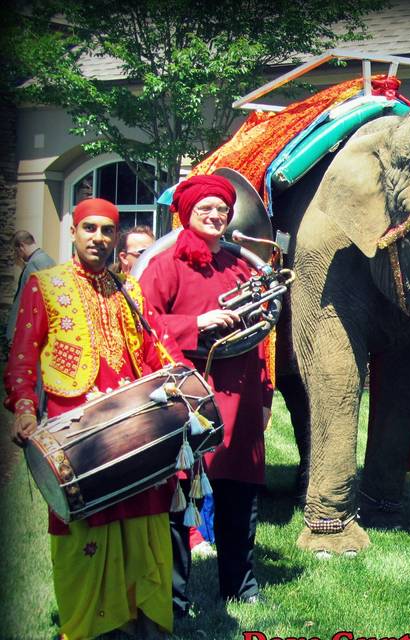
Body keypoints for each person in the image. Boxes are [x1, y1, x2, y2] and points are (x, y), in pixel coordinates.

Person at [4, 197, 183, 640]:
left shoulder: (129, 290)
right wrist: (24, 409)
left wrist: (182, 380)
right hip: (79, 436)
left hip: (134, 427)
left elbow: (155, 346)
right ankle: (90, 626)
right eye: (90, 229)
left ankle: (142, 622)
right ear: (74, 232)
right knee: (82, 526)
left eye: (107, 231)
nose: (98, 239)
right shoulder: (45, 286)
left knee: (143, 522)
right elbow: (22, 357)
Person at [138, 174, 273, 616]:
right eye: (206, 210)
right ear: (187, 214)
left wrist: (267, 392)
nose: (216, 217)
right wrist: (198, 324)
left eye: (221, 210)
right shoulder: (166, 264)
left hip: (243, 397)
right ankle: (174, 597)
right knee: (180, 501)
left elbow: (262, 332)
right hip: (190, 396)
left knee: (240, 497)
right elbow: (144, 326)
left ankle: (241, 585)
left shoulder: (243, 265)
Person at [6, 229, 55, 348]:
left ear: (21, 246)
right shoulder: (48, 260)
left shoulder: (34, 265)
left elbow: (26, 302)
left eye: (15, 251)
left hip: (29, 332)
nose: (17, 255)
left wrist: (12, 335)